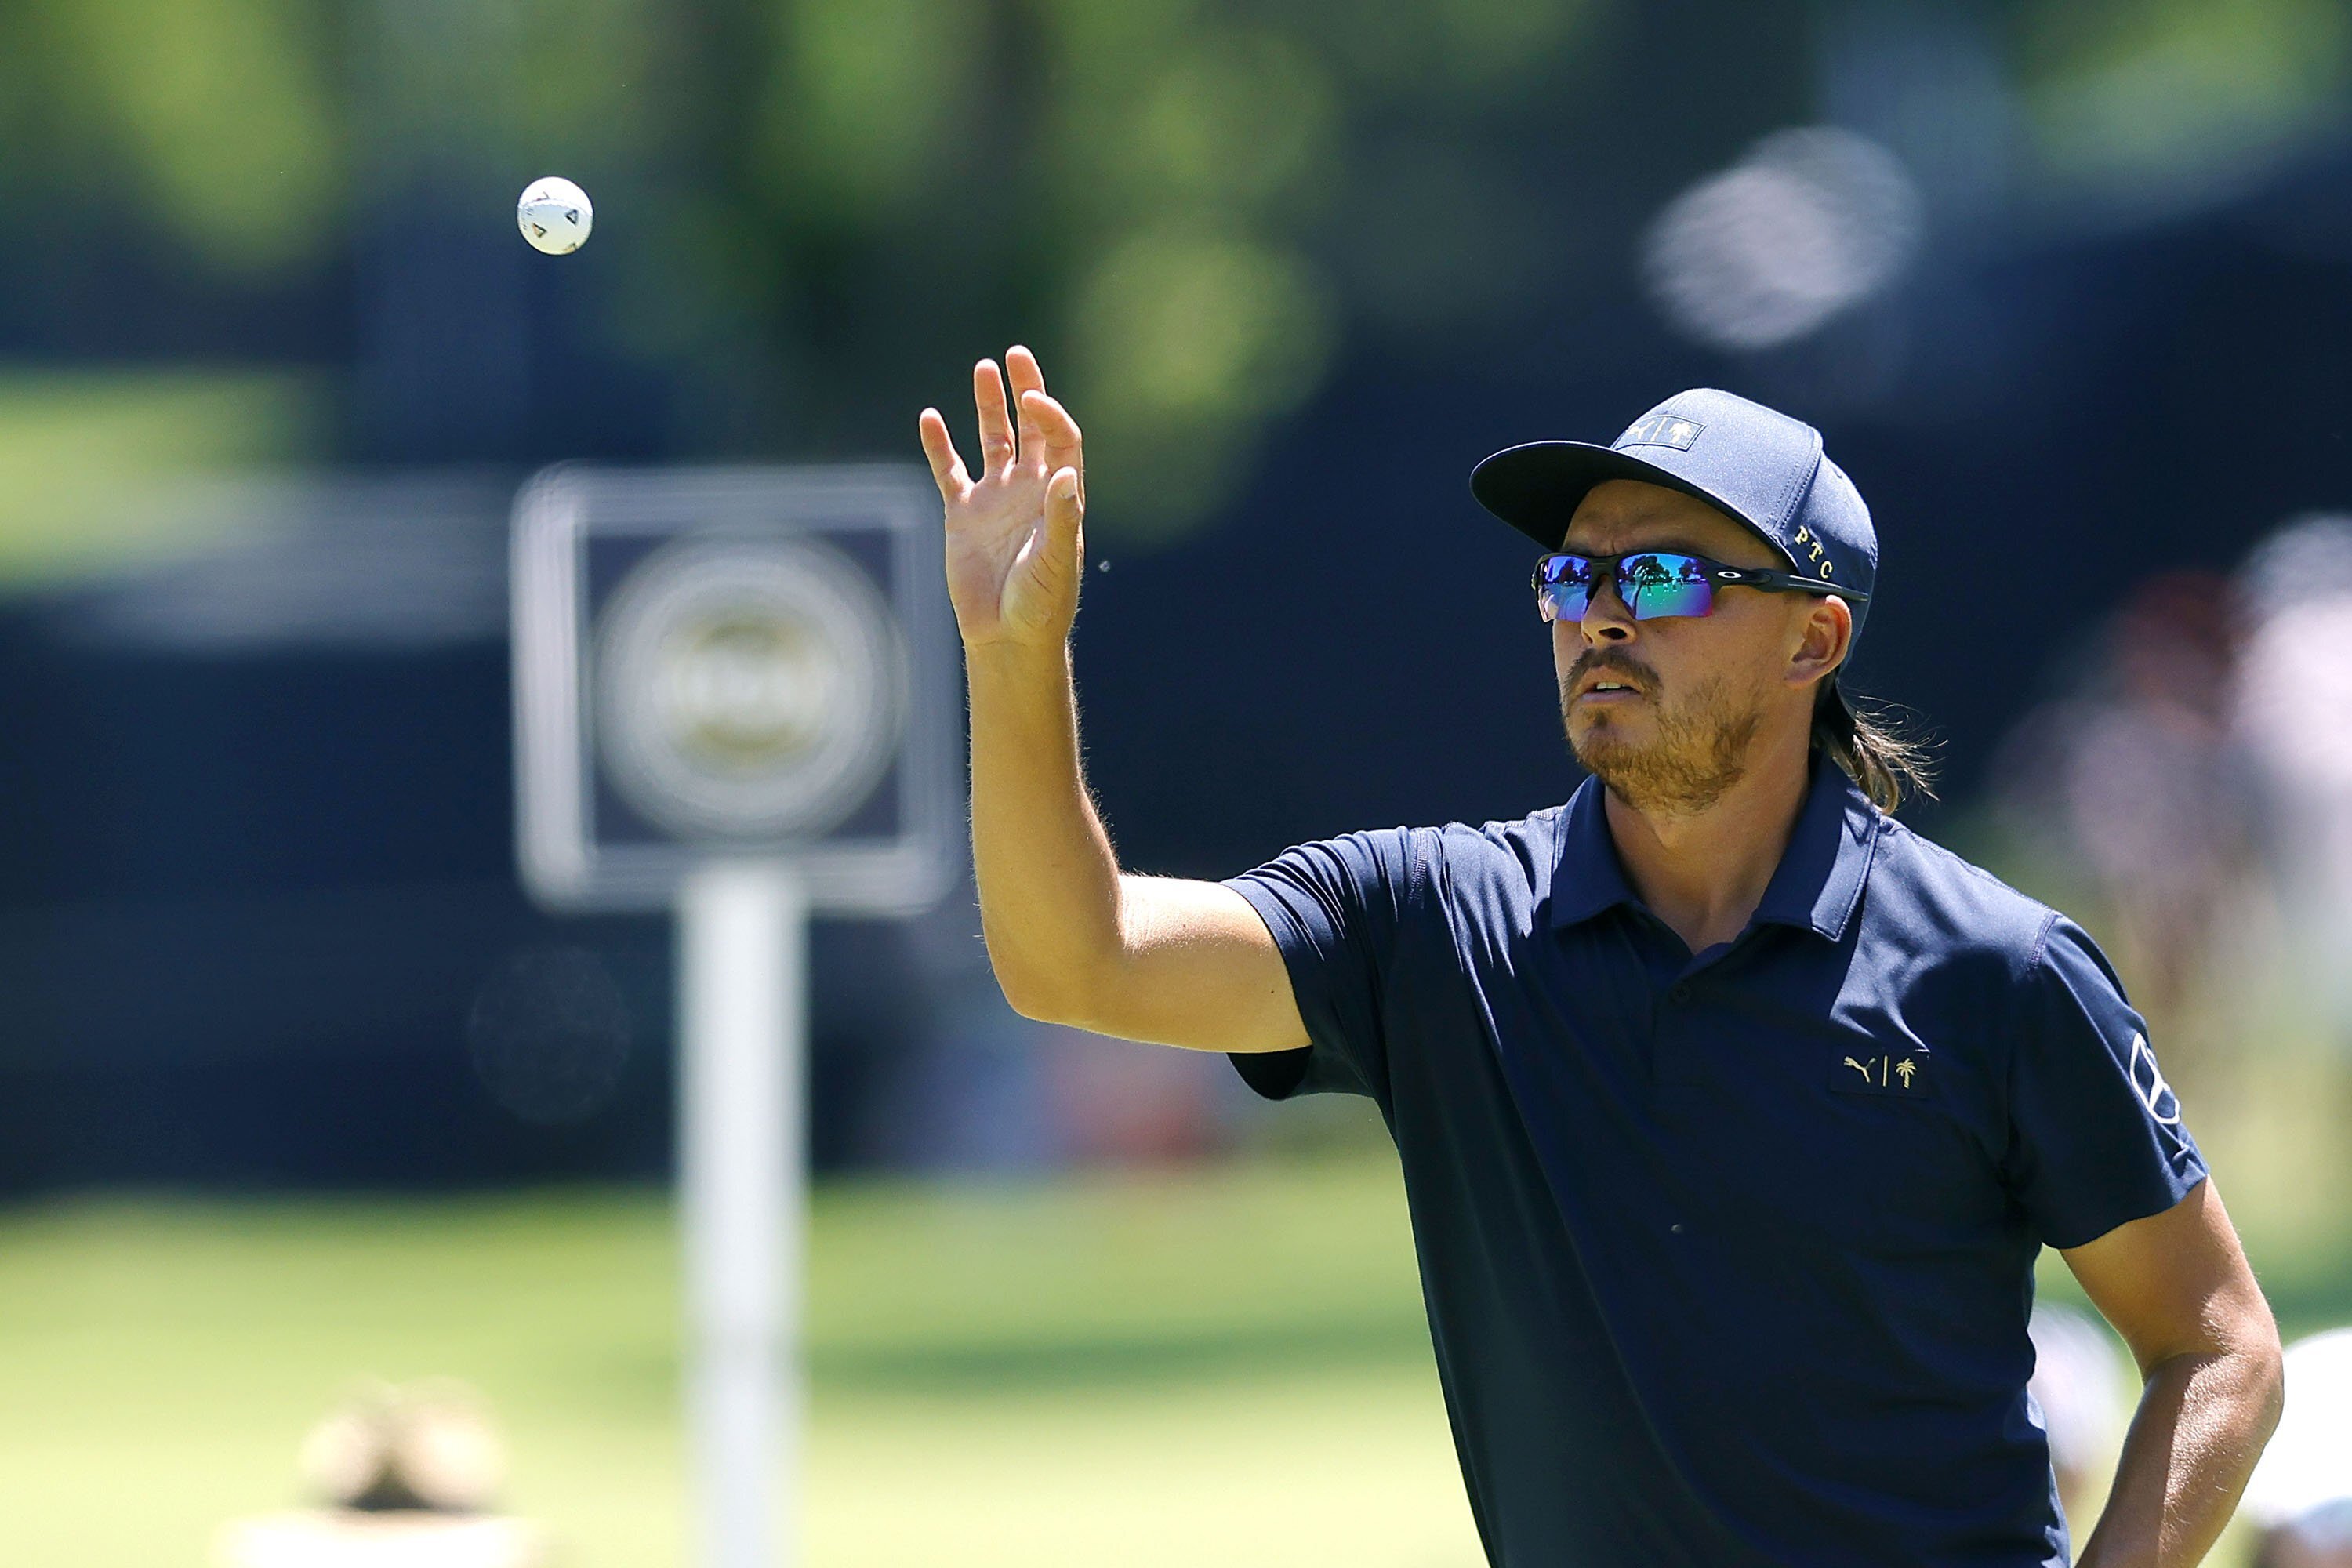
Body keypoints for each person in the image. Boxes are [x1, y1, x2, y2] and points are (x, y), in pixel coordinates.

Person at [916, 349, 2284, 1566]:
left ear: (1817, 635)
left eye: (1668, 575)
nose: (1603, 614)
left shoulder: (1997, 972)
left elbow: (2218, 1347)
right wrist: (1011, 651)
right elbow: (1076, 962)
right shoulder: (1431, 924)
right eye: (1574, 575)